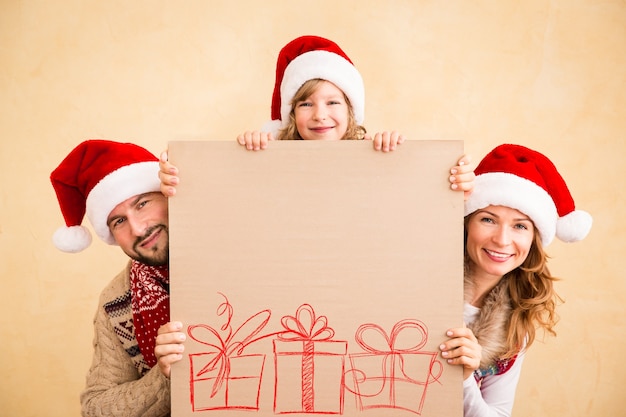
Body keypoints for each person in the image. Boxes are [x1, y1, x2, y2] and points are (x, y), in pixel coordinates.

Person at [158, 35, 475, 198]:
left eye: (333, 102)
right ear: (292, 114)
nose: (320, 115)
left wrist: (396, 154)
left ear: (351, 111)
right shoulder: (271, 152)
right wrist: (248, 151)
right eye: (306, 104)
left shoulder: (372, 151)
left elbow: (411, 200)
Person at [438, 144, 592, 416]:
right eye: (488, 219)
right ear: (466, 224)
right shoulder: (422, 277)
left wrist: (463, 380)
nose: (502, 240)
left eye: (520, 226)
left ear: (533, 239)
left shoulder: (513, 328)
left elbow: (498, 413)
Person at [51, 139, 174, 417]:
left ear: (168, 195)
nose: (138, 228)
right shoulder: (117, 302)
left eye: (142, 204)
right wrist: (164, 375)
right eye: (118, 221)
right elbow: (96, 407)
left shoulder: (233, 246)